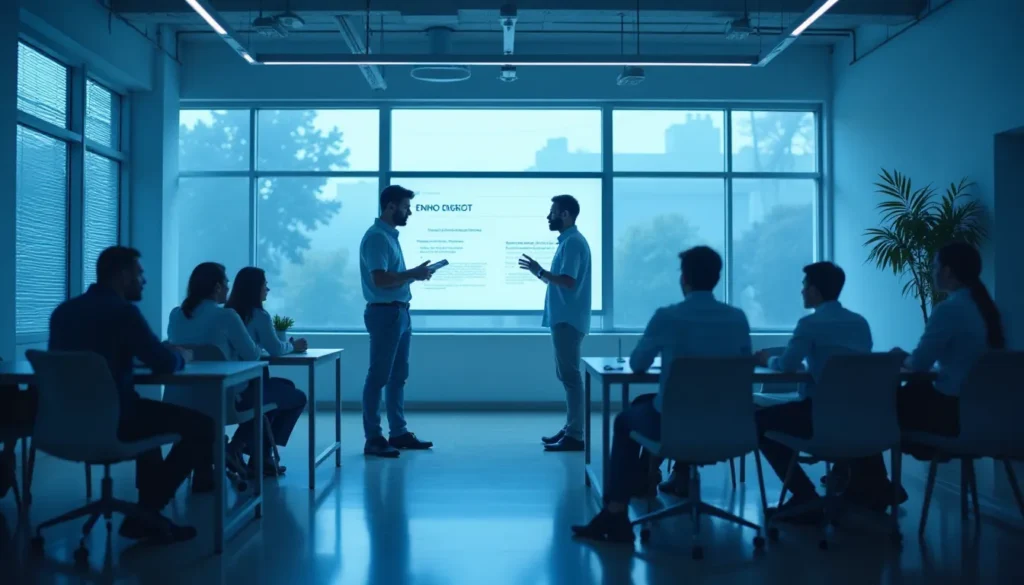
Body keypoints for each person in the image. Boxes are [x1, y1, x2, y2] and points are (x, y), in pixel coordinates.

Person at [571, 246, 751, 543]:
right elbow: (744, 364)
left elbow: (638, 364)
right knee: (647, 403)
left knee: (626, 421)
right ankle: (663, 478)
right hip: (732, 428)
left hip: (676, 427)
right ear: (717, 278)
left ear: (684, 279)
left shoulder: (669, 317)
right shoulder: (737, 318)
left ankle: (616, 513)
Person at [48, 246, 209, 544]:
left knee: (149, 420)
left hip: (63, 424)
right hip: (115, 420)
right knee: (203, 427)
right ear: (123, 276)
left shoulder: (63, 312)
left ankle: (147, 514)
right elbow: (162, 362)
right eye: (139, 273)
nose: (144, 281)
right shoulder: (123, 313)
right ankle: (146, 512)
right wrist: (181, 355)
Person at [851, 242, 1006, 505]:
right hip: (989, 420)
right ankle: (864, 483)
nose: (931, 272)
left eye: (934, 266)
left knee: (868, 407)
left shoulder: (950, 309)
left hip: (950, 415)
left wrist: (902, 357)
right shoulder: (987, 310)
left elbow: (920, 363)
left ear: (947, 271)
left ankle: (870, 485)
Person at [751, 262, 877, 523]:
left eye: (804, 285)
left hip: (820, 416)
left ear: (816, 291)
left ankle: (804, 494)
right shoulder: (860, 323)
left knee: (757, 422)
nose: (801, 291)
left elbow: (787, 365)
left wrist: (766, 361)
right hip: (862, 418)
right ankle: (867, 485)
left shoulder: (810, 324)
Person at [167, 263, 281, 476]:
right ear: (218, 287)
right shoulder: (226, 316)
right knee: (265, 394)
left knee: (266, 390)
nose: (229, 289)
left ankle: (212, 466)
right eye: (227, 283)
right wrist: (256, 345)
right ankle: (239, 450)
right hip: (221, 398)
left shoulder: (176, 315)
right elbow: (253, 355)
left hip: (180, 399)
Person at [359, 185, 435, 458]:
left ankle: (398, 432)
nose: (409, 212)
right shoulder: (378, 238)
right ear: (391, 207)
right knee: (379, 376)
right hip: (385, 313)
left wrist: (413, 275)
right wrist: (411, 273)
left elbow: (390, 276)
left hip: (399, 311)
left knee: (397, 377)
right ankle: (374, 438)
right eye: (405, 207)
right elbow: (379, 278)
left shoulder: (390, 237)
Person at [518, 194, 592, 452]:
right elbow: (562, 281)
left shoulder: (572, 243)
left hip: (568, 320)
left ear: (565, 214)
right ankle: (571, 428)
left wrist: (539, 271)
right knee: (567, 376)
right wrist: (539, 273)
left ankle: (575, 434)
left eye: (552, 212)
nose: (548, 217)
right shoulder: (569, 242)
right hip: (565, 319)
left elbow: (568, 281)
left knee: (570, 378)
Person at [225, 266, 311, 475]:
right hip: (245, 390)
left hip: (228, 387)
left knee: (281, 390)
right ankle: (253, 453)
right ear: (255, 288)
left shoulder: (226, 313)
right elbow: (275, 348)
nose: (268, 289)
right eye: (265, 284)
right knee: (297, 397)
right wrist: (294, 345)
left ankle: (258, 456)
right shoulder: (258, 315)